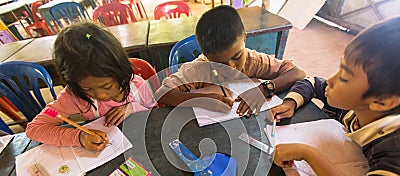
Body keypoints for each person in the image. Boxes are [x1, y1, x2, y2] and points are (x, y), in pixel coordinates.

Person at [272, 17, 400, 176]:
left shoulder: (392, 144)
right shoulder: (357, 111)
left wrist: (310, 154)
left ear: (381, 101)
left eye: (344, 77)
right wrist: (290, 103)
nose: (331, 80)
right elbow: (314, 83)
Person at [26, 22, 156, 151]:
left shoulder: (138, 85)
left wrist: (133, 108)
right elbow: (35, 128)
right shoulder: (73, 97)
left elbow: (156, 114)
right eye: (87, 89)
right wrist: (79, 137)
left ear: (121, 71)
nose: (100, 95)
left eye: (107, 86)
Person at [156, 5, 306, 117]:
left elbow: (298, 72)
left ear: (245, 39)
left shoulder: (253, 61)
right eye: (220, 64)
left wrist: (265, 88)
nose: (231, 67)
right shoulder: (199, 69)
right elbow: (163, 94)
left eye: (236, 57)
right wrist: (202, 100)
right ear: (206, 56)